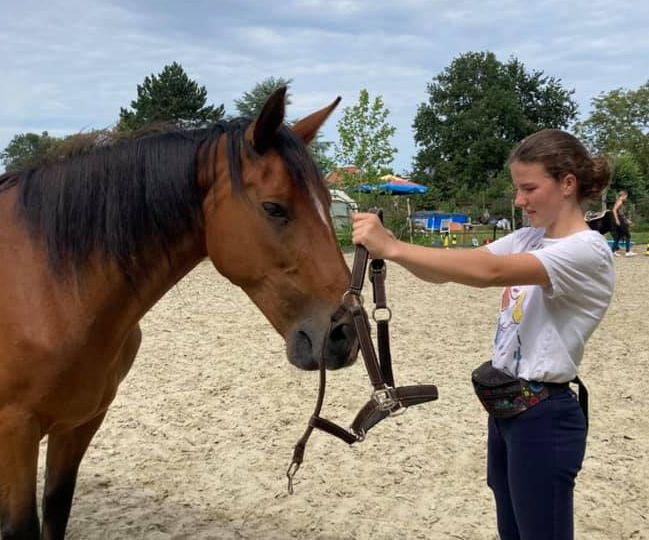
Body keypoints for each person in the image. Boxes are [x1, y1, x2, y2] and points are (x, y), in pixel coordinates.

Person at [352, 129, 615, 540]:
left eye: (529, 188)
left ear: (568, 183)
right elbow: (454, 268)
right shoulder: (531, 238)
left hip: (544, 416)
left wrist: (393, 248)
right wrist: (395, 247)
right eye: (517, 188)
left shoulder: (587, 250)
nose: (519, 200)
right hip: (508, 409)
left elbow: (488, 273)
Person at [611, 190, 636, 257]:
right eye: (626, 196)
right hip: (620, 220)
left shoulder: (618, 201)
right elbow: (614, 210)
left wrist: (628, 221)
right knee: (628, 235)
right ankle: (628, 252)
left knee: (618, 237)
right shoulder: (620, 202)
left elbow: (621, 213)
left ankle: (612, 251)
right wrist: (617, 220)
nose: (626, 198)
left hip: (620, 219)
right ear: (623, 195)